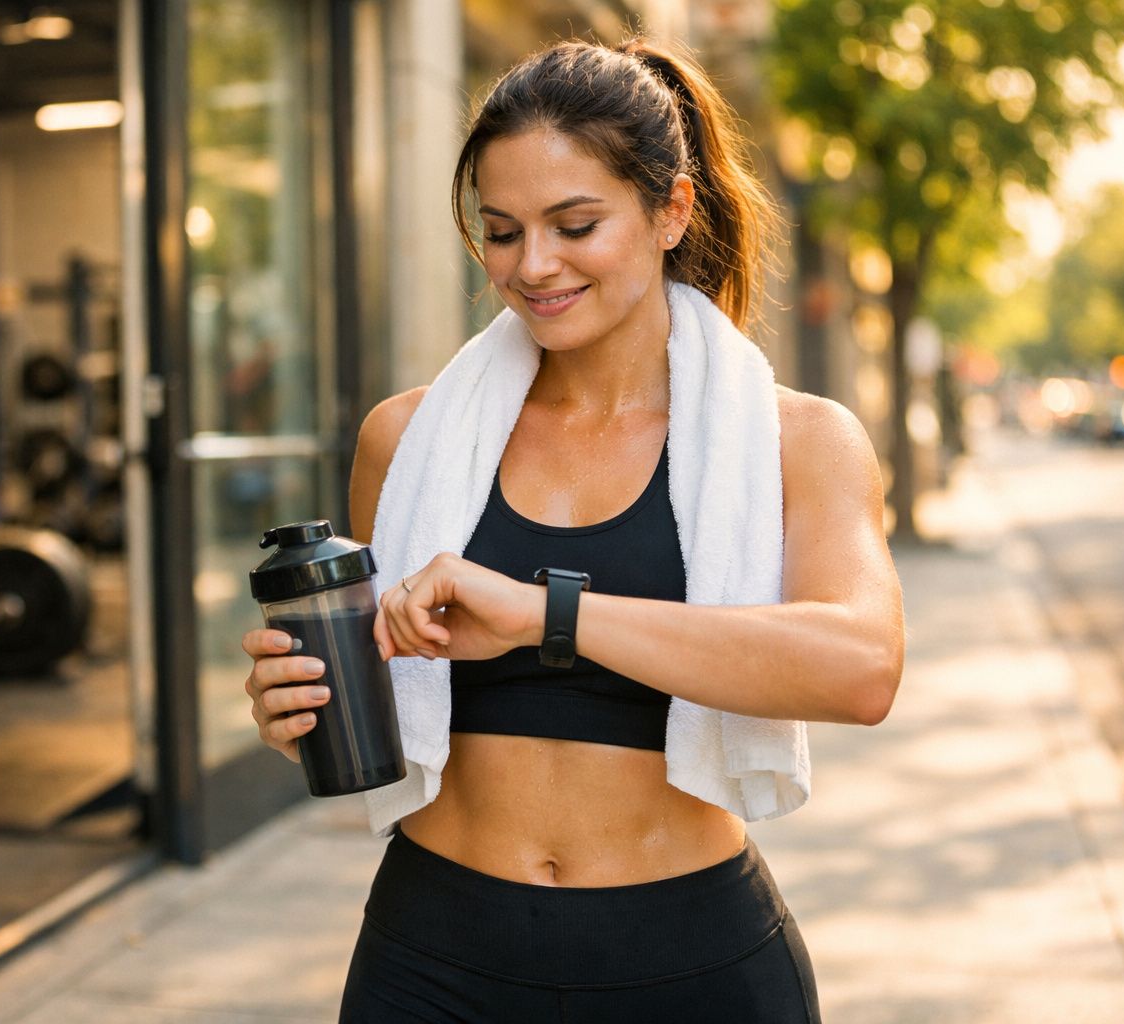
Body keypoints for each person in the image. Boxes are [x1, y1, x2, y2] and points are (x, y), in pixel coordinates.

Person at [241, 37, 904, 1022]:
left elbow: (862, 668)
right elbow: (391, 711)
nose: (533, 265)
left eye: (575, 223)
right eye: (502, 232)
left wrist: (547, 614)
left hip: (692, 966)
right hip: (433, 958)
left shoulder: (797, 441)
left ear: (670, 208)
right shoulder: (408, 437)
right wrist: (296, 712)